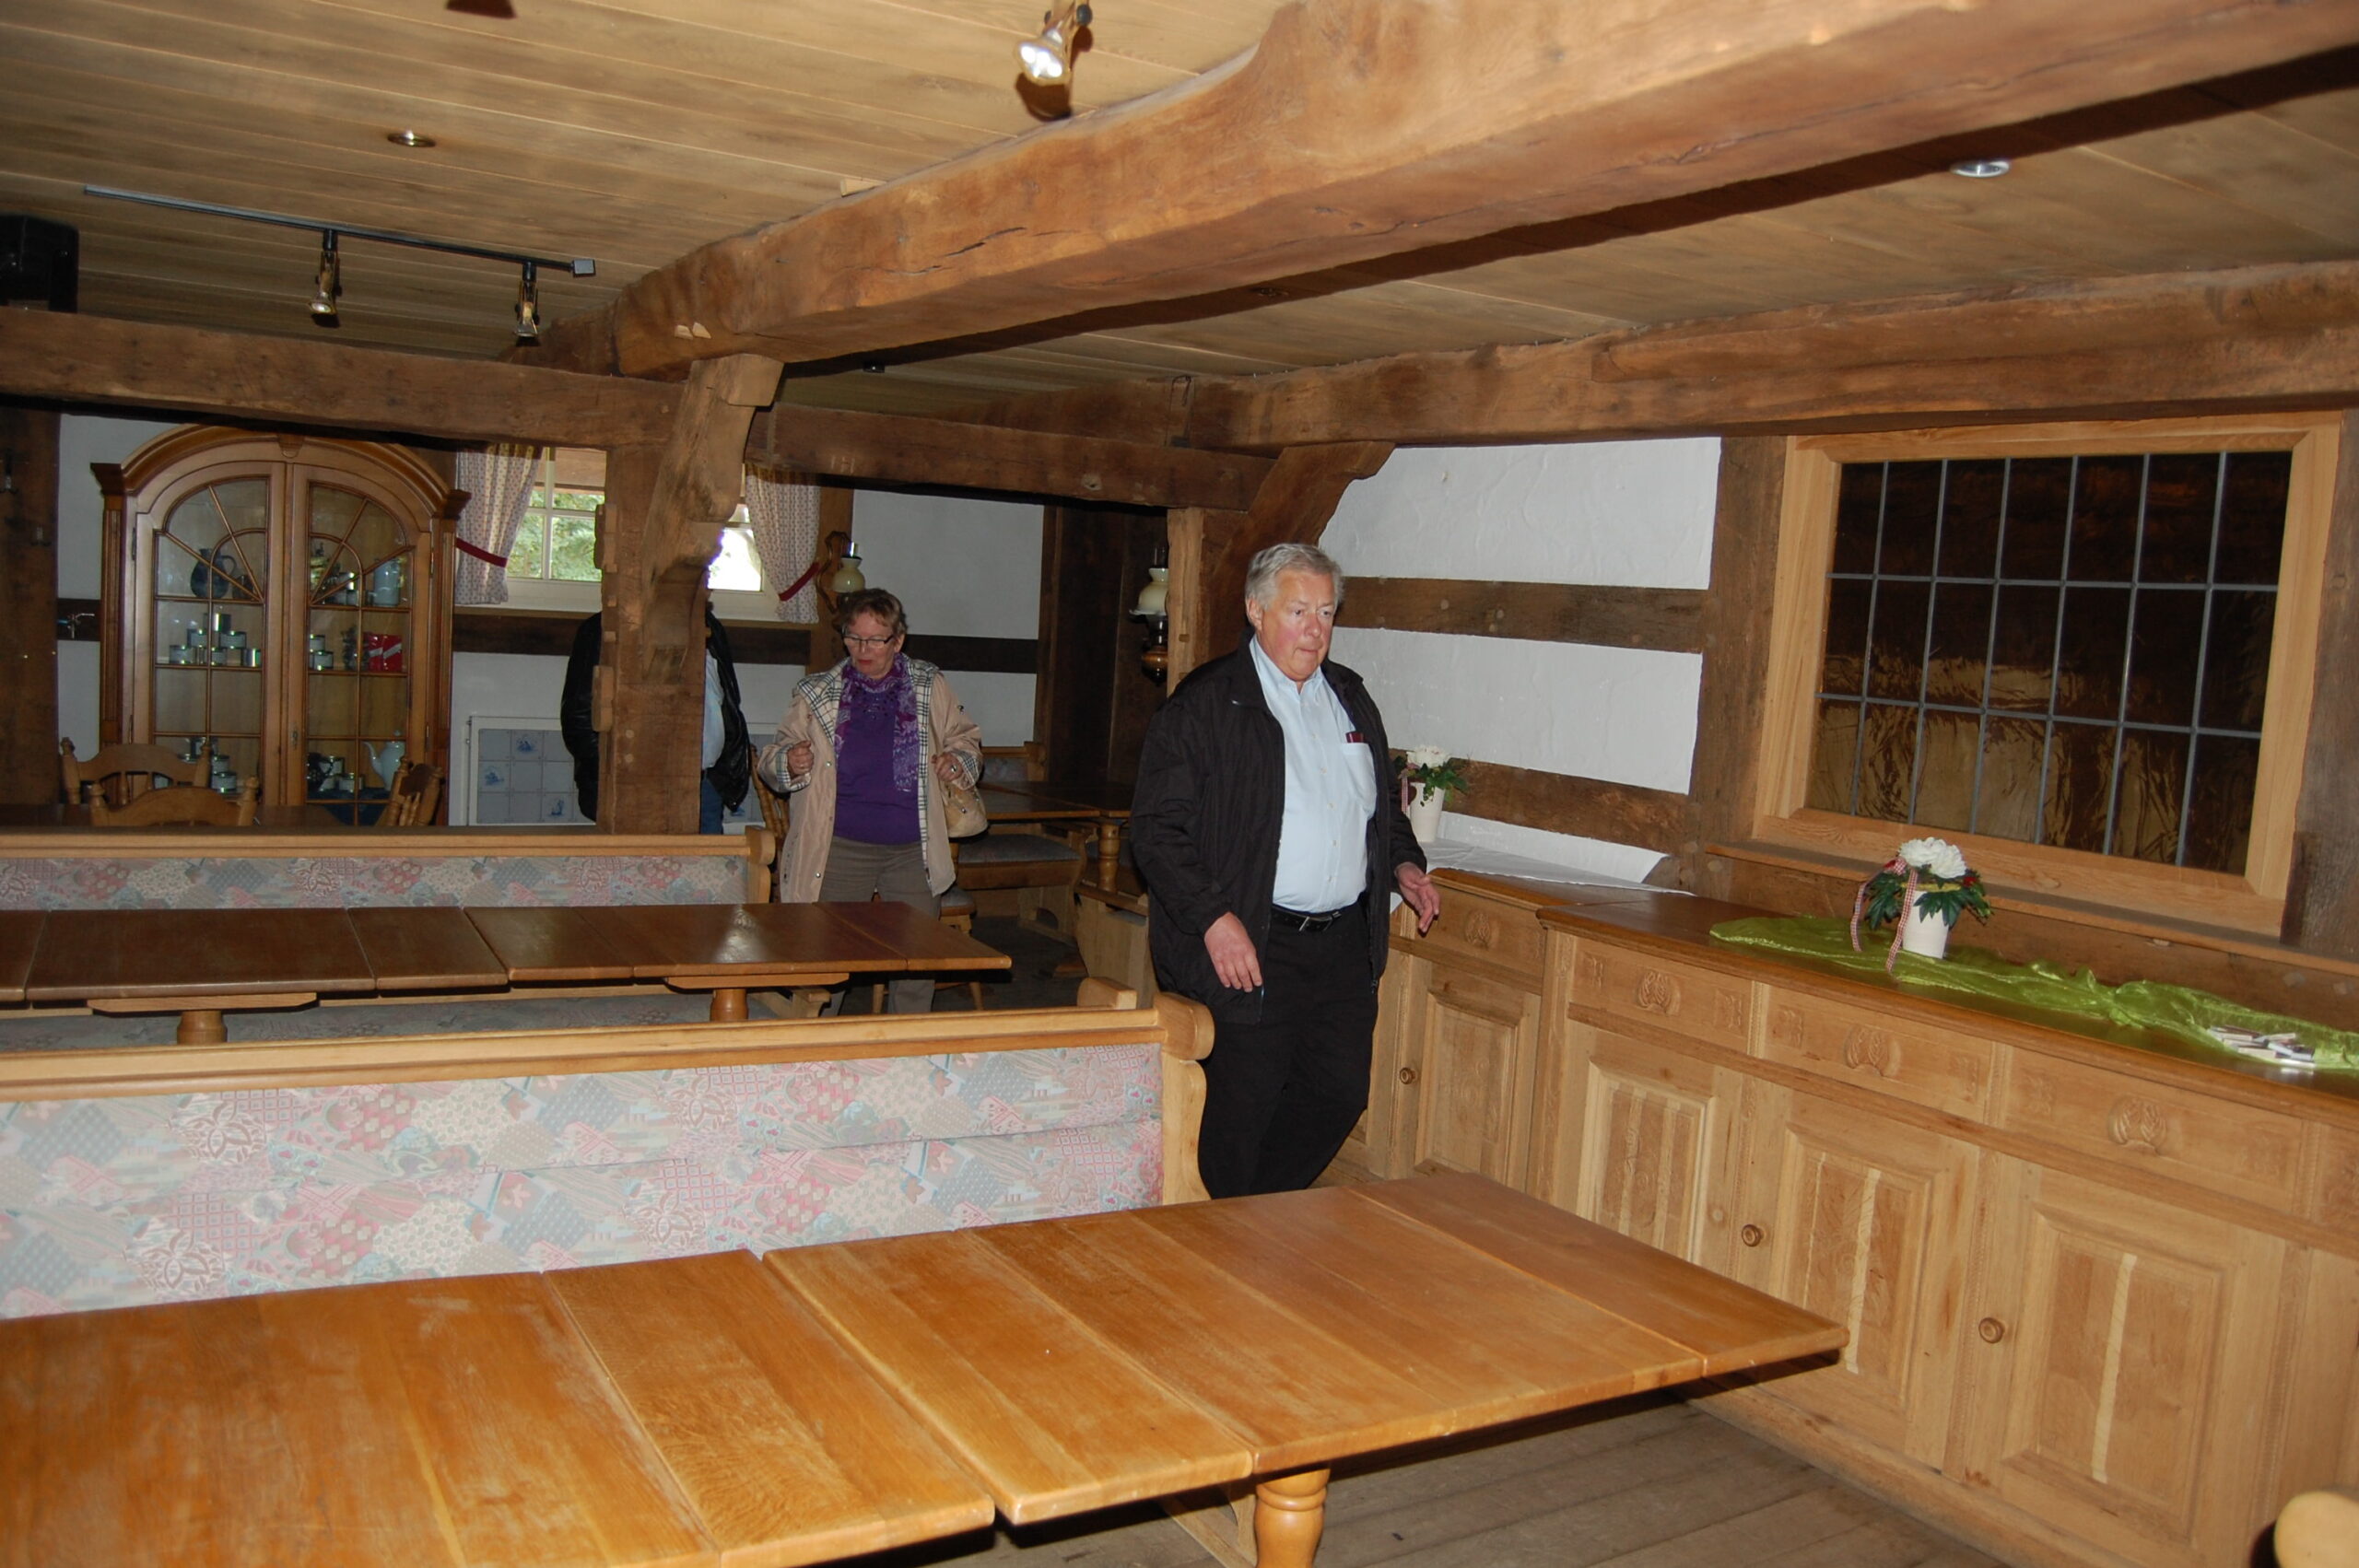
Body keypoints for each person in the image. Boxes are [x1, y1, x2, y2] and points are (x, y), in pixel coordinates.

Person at [1130, 542, 1440, 1199]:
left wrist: (1404, 865)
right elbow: (1157, 831)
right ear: (1256, 610)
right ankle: (1220, 1237)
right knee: (1241, 1109)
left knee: (1337, 1093)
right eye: (1298, 611)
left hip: (1341, 947)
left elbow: (1379, 807)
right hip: (1251, 940)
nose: (1314, 629)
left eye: (1326, 613)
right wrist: (1215, 919)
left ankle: (1255, 1218)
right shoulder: (1207, 703)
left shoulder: (1350, 697)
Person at [759, 588, 981, 1013]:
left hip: (913, 848)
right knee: (828, 957)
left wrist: (957, 762)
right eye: (854, 637)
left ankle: (906, 1043)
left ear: (898, 641)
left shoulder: (928, 685)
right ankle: (817, 1039)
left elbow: (965, 738)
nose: (862, 649)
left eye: (875, 640)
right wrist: (789, 760)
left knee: (915, 961)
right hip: (839, 846)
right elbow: (772, 759)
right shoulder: (817, 692)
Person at [559, 608, 749, 831]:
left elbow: (726, 703)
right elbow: (578, 717)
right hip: (634, 791)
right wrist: (617, 776)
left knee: (707, 853)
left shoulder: (708, 626)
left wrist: (724, 774)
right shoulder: (603, 627)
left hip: (706, 786)